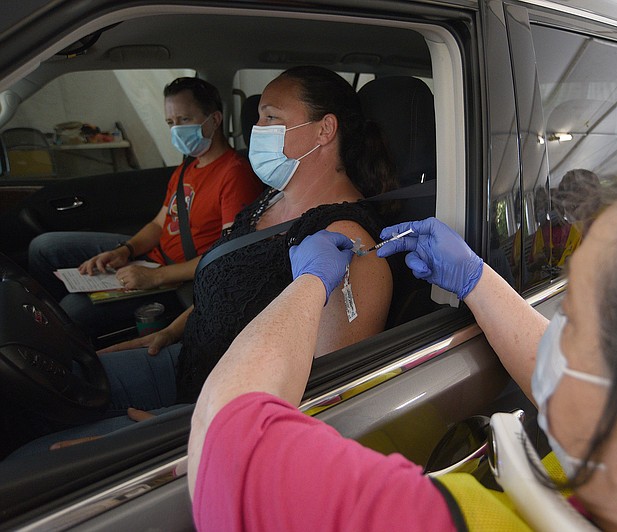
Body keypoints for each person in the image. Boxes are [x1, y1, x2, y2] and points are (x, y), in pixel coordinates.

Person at [188, 153, 617, 530]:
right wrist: (476, 279)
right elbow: (584, 387)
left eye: (575, 318)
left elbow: (224, 434)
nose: (553, 331)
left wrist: (310, 286)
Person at [8, 66, 395, 456]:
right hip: (185, 362)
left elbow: (326, 403)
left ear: (324, 130)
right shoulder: (270, 201)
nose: (255, 130)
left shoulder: (346, 240)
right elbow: (231, 284)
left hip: (218, 422)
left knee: (32, 461)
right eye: (258, 116)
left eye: (271, 117)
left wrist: (184, 432)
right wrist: (170, 331)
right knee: (35, 391)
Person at [27, 77, 263, 339]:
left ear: (215, 119)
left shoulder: (235, 175)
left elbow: (228, 256)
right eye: (170, 123)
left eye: (184, 120)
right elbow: (158, 223)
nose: (175, 130)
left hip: (178, 277)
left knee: (71, 311)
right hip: (153, 259)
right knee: (44, 247)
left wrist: (156, 277)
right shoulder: (188, 168)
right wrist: (124, 251)